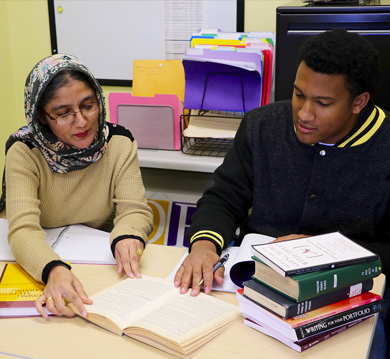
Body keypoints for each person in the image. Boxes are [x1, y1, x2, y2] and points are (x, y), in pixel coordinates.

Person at [173, 29, 390, 358]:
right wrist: (204, 245)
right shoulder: (262, 126)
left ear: (358, 102)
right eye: (299, 94)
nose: (304, 113)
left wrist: (318, 253)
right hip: (257, 289)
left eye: (323, 103)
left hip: (350, 299)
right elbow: (223, 197)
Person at [0, 54, 153, 319]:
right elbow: (23, 229)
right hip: (31, 257)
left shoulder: (119, 142)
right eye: (63, 114)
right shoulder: (25, 151)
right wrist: (53, 268)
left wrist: (129, 234)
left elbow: (135, 210)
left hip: (91, 260)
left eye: (88, 105)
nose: (81, 122)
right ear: (43, 116)